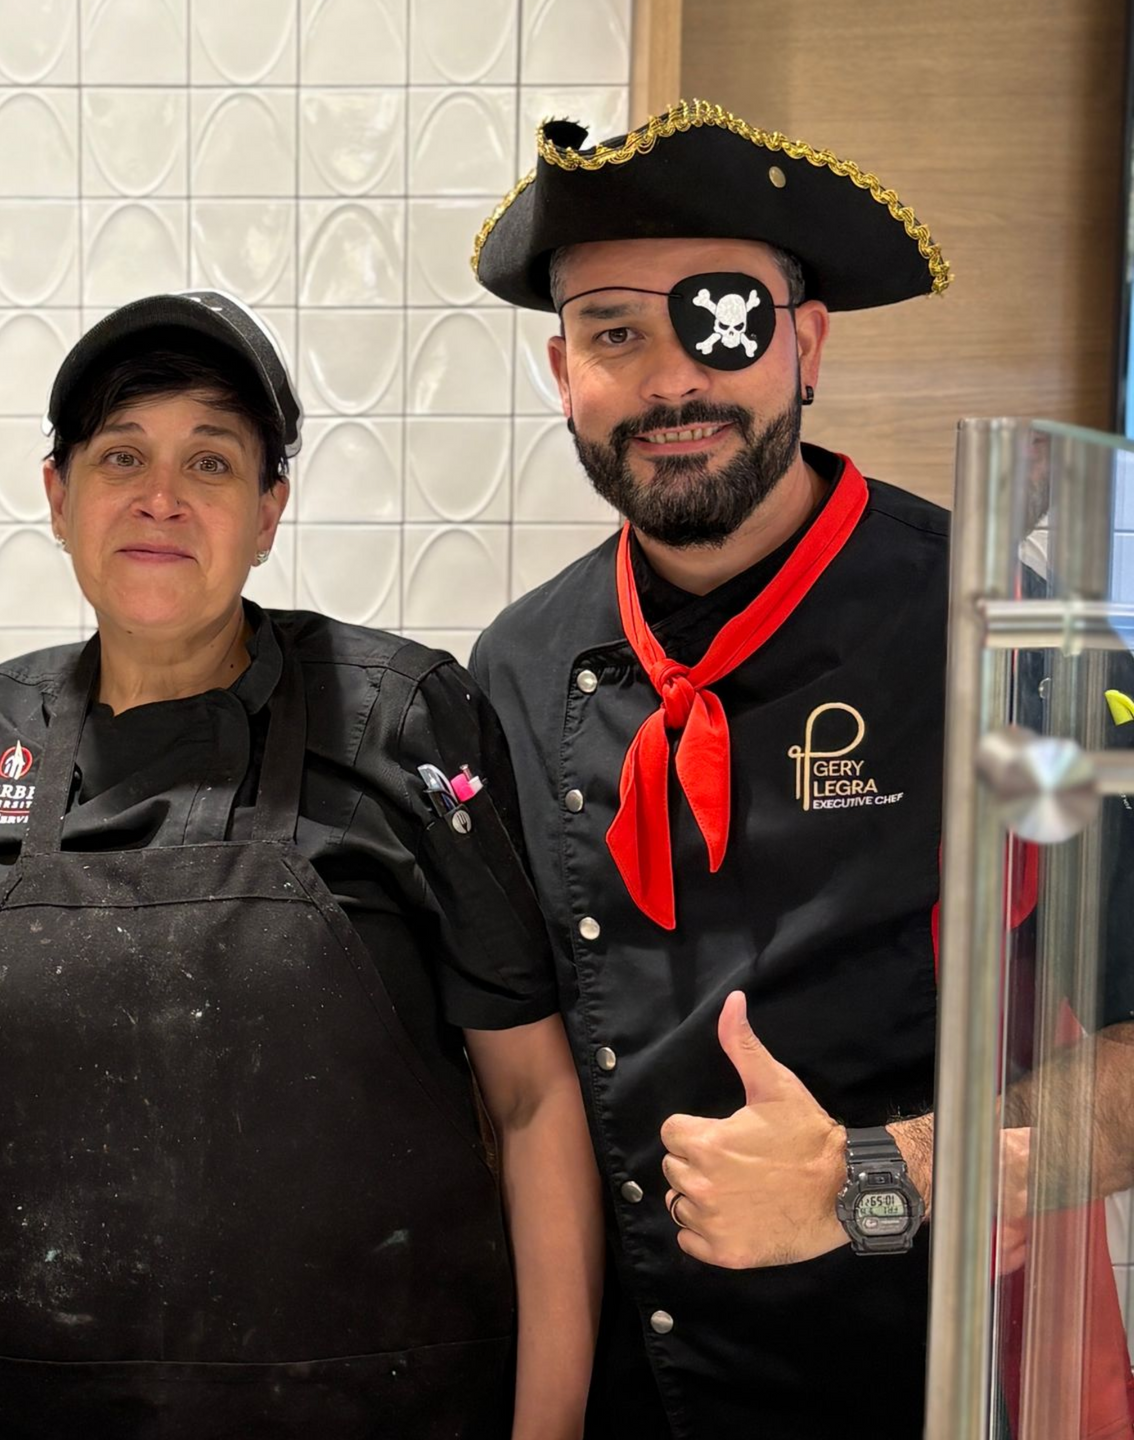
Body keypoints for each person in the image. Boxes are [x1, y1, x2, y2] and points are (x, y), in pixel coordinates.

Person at [0, 290, 602, 1438]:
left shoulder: (404, 720)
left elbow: (530, 1099)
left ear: (269, 513)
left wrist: (549, 1430)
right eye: (122, 455)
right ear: (59, 497)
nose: (161, 497)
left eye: (211, 462)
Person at [465, 99, 961, 1436]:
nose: (674, 379)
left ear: (803, 343)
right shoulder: (515, 668)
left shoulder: (989, 625)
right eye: (614, 332)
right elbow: (526, 1086)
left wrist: (873, 1177)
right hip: (632, 1396)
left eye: (724, 317)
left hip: (919, 1389)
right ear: (563, 375)